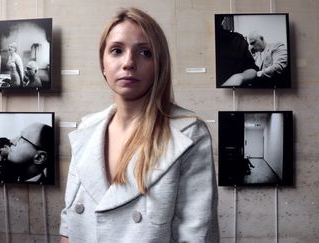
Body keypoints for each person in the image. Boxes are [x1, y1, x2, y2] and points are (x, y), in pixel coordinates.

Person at [60, 8, 219, 243]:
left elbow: (196, 235)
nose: (129, 63)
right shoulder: (86, 129)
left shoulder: (188, 133)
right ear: (103, 63)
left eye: (144, 52)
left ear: (159, 64)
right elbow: (69, 228)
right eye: (116, 51)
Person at [215, 15, 258, 87]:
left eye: (253, 42)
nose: (253, 46)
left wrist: (239, 77)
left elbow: (251, 68)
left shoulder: (237, 40)